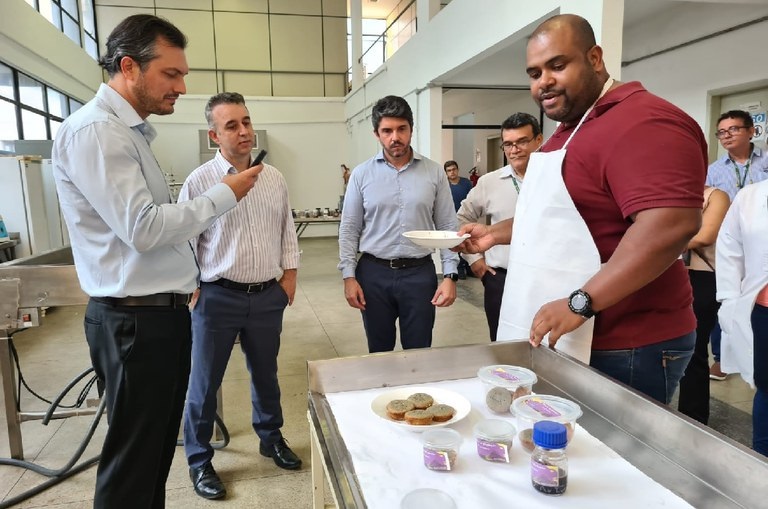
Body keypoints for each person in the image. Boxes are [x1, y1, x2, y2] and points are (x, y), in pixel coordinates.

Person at [50, 15, 261, 509]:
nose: (181, 87)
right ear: (129, 67)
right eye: (171, 74)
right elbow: (143, 229)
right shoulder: (98, 132)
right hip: (134, 323)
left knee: (152, 457)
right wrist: (223, 195)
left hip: (156, 317)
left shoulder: (129, 134)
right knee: (133, 464)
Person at [456, 13, 706, 404]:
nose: (544, 81)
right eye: (535, 73)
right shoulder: (570, 129)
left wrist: (581, 301)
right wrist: (494, 234)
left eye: (557, 65)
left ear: (594, 58)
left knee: (609, 443)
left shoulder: (644, 122)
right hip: (573, 333)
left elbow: (670, 225)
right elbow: (561, 215)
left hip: (627, 342)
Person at [179, 93, 302, 500]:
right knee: (204, 381)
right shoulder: (199, 182)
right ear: (214, 135)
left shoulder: (273, 178)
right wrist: (192, 288)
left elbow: (286, 229)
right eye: (231, 125)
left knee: (266, 373)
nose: (243, 131)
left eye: (246, 122)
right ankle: (199, 459)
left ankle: (271, 437)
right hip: (217, 297)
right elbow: (184, 241)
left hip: (266, 295)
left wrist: (289, 276)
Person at [338, 95, 459, 353]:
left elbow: (448, 226)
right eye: (387, 131)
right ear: (377, 134)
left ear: (411, 130)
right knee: (379, 351)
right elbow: (349, 229)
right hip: (373, 275)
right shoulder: (361, 175)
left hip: (419, 275)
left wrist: (450, 276)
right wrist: (349, 276)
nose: (395, 137)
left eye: (401, 129)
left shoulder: (434, 172)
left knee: (418, 351)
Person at [456, 112, 543, 341]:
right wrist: (474, 260)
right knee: (502, 344)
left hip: (546, 278)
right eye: (508, 144)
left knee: (546, 342)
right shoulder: (490, 182)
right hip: (501, 279)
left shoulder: (556, 177)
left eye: (522, 141)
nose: (515, 150)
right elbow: (462, 218)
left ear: (538, 140)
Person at [705, 110, 768, 380]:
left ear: (752, 131)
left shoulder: (765, 161)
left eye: (733, 129)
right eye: (721, 132)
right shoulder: (714, 170)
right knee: (728, 299)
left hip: (757, 243)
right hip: (726, 241)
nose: (726, 136)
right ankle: (722, 358)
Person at [716, 178, 768, 456]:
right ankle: (762, 460)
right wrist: (729, 298)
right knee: (766, 388)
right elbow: (729, 248)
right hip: (762, 311)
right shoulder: (751, 196)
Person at [677, 186, 729, 424]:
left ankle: (694, 418)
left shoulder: (715, 196)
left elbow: (706, 236)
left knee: (695, 348)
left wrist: (660, 241)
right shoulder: (667, 192)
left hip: (701, 277)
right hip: (667, 272)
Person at [444, 160, 473, 278]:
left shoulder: (466, 183)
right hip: (451, 218)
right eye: (449, 171)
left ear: (457, 170)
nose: (452, 172)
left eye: (454, 169)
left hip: (466, 218)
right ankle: (459, 269)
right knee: (456, 243)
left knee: (468, 242)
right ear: (446, 173)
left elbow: (472, 199)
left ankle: (469, 268)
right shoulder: (444, 185)